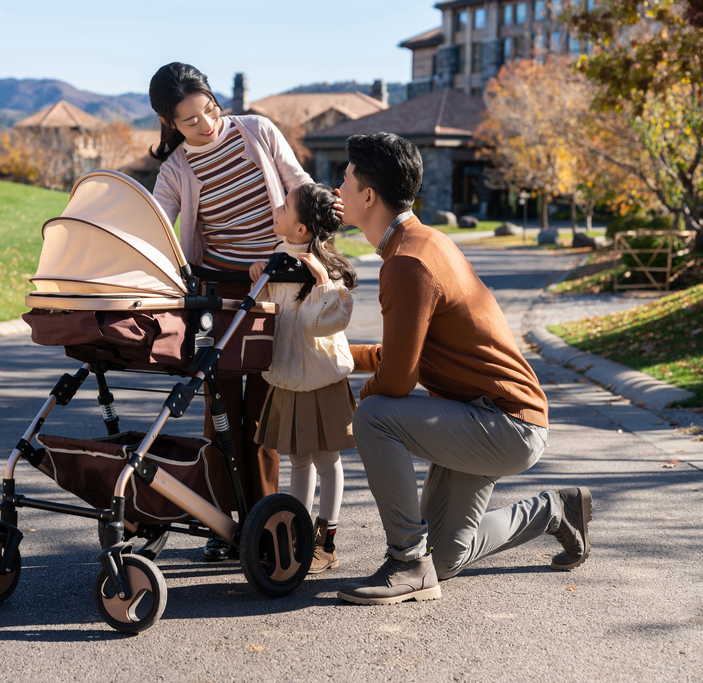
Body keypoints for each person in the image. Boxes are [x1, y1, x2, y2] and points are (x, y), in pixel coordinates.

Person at [336, 132, 593, 605]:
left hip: (505, 423)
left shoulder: (409, 260)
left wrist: (355, 399)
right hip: (482, 414)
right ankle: (555, 509)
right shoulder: (418, 243)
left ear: (368, 196)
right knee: (445, 557)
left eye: (345, 180)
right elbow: (404, 355)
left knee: (373, 417)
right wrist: (344, 356)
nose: (337, 190)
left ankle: (405, 561)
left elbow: (396, 380)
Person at [149, 62, 313, 561]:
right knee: (218, 408)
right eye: (190, 120)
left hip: (272, 286)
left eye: (210, 109)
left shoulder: (258, 131)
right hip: (215, 294)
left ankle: (262, 526)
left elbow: (300, 188)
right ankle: (221, 522)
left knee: (261, 410)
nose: (207, 124)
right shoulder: (175, 169)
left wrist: (319, 217)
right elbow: (157, 231)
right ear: (170, 124)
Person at [248, 183, 356, 574]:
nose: (278, 207)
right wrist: (258, 276)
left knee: (327, 459)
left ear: (301, 230)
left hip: (322, 378)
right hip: (290, 375)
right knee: (298, 459)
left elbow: (316, 325)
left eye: (286, 205)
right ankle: (297, 532)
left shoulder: (328, 272)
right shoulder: (278, 257)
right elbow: (267, 315)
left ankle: (326, 540)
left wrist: (322, 283)